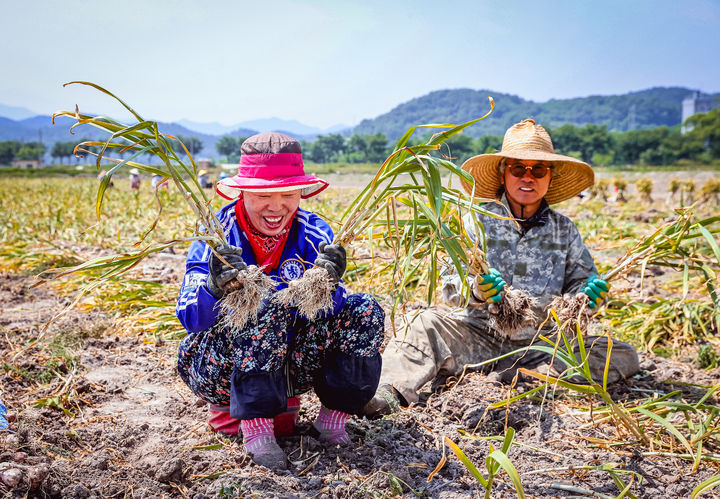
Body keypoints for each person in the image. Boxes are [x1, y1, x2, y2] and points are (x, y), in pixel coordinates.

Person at [364, 119, 639, 417]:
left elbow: (582, 281)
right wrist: (476, 290)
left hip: (540, 343)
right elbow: (448, 281)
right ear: (503, 173)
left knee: (622, 354)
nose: (528, 177)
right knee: (423, 323)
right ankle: (383, 394)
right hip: (477, 334)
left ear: (550, 176)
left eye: (539, 170)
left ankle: (515, 375)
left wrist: (588, 296)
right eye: (518, 168)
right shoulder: (476, 220)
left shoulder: (565, 230)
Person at [175, 132, 384, 469]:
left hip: (289, 363)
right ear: (243, 192)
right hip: (221, 367)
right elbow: (190, 317)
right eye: (262, 195)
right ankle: (256, 430)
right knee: (259, 299)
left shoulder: (314, 232)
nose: (276, 206)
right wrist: (216, 288)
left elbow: (332, 312)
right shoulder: (217, 235)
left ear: (301, 192)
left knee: (365, 310)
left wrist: (328, 286)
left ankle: (331, 423)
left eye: (288, 193)